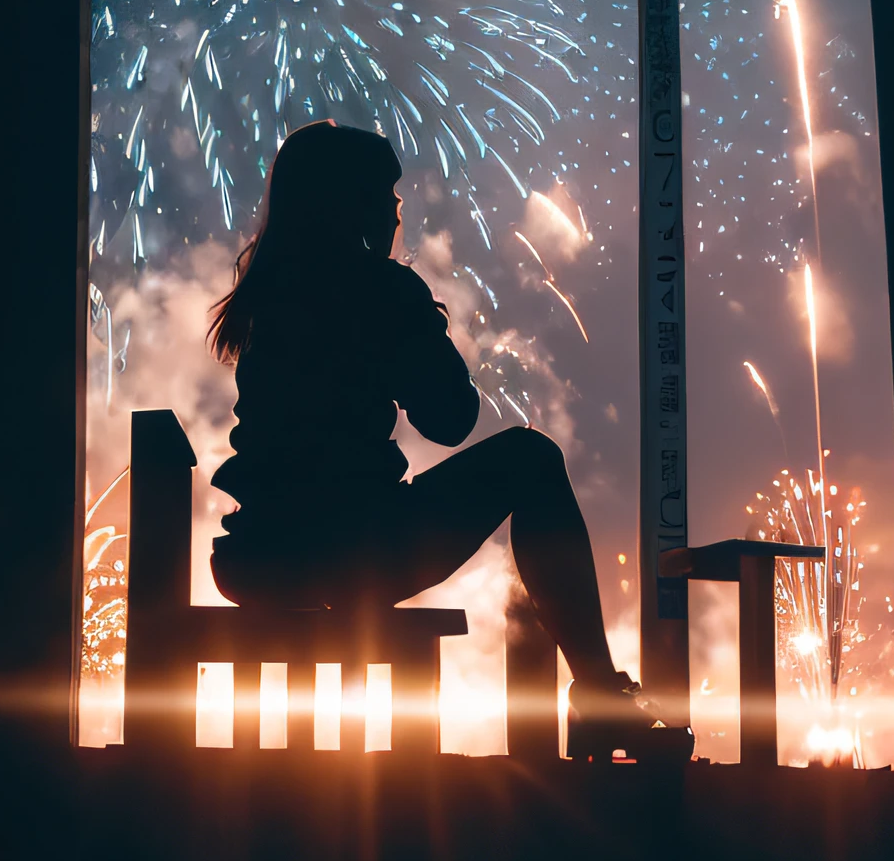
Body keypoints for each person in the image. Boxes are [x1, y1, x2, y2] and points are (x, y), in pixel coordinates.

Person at [208, 119, 644, 735]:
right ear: (352, 204)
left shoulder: (266, 293)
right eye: (386, 194)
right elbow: (451, 421)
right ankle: (598, 691)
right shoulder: (379, 288)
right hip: (353, 550)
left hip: (255, 555)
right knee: (531, 459)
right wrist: (423, 322)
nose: (396, 208)